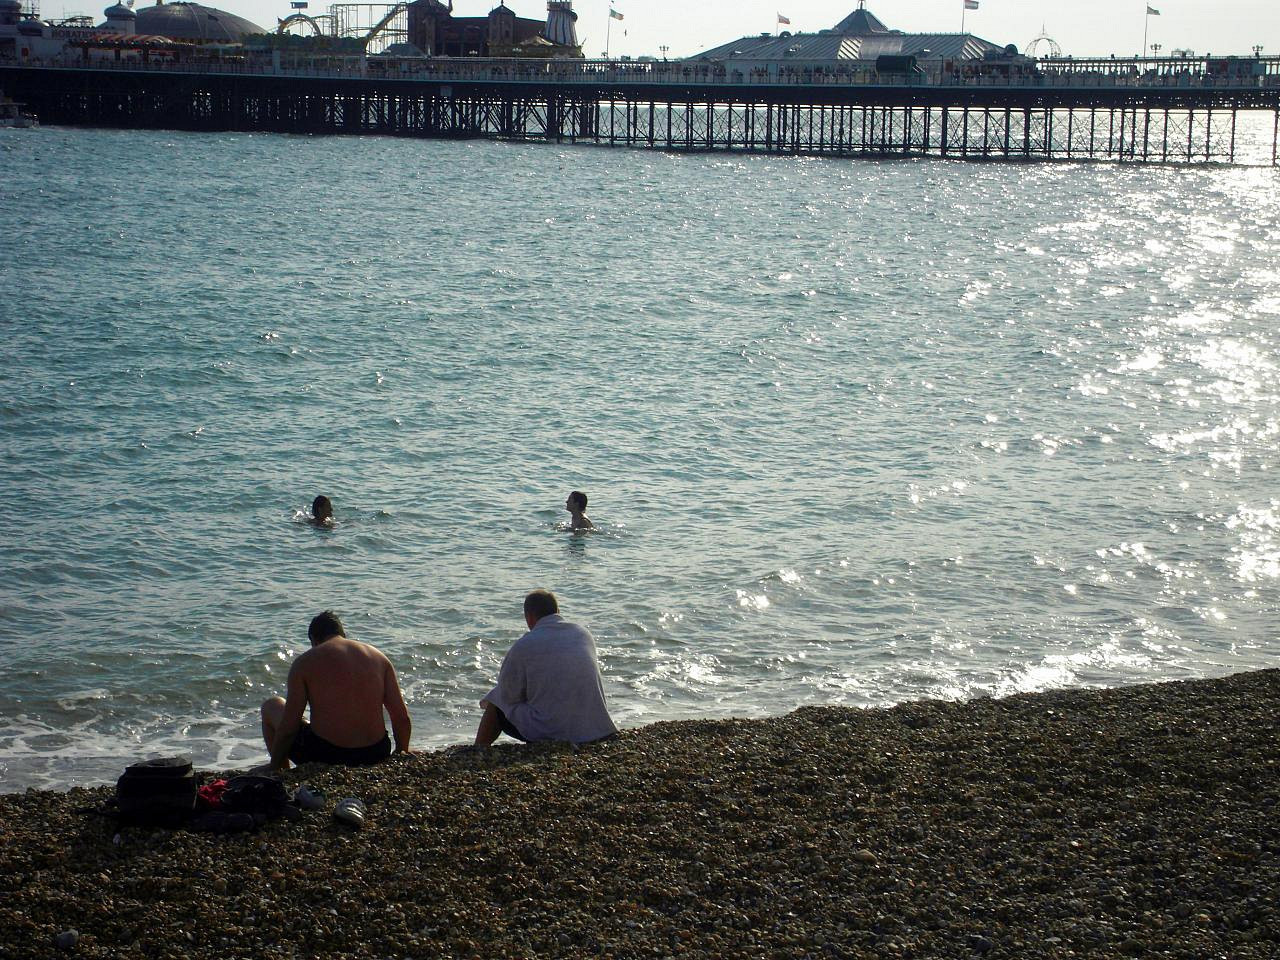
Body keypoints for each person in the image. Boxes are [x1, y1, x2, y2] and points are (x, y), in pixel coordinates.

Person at [260, 611, 411, 769]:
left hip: (328, 756)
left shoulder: (304, 663)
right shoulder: (379, 658)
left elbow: (289, 727)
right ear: (342, 634)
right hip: (376, 753)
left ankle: (280, 769)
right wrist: (401, 751)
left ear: (314, 639)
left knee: (272, 706)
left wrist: (274, 763)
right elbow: (401, 717)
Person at [475, 590, 616, 746]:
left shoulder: (525, 645)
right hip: (595, 727)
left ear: (529, 617)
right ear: (557, 611)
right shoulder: (583, 634)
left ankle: (478, 748)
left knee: (496, 699)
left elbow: (507, 695)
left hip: (554, 731)